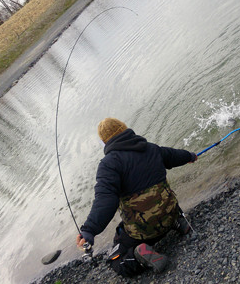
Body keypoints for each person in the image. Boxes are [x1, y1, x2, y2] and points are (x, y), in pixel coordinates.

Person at [76, 117, 197, 276]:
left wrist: (89, 231)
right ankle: (178, 222)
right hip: (170, 213)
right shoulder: (151, 148)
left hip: (145, 232)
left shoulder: (108, 164)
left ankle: (138, 255)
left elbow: (105, 202)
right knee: (158, 194)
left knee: (115, 258)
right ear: (126, 129)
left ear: (104, 142)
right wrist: (191, 156)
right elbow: (175, 155)